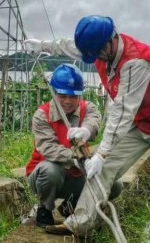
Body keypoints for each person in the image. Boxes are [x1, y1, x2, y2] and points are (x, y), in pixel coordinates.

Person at [24, 15, 150, 237]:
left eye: (96, 54)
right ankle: (79, 224)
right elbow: (71, 47)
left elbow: (122, 111)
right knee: (103, 171)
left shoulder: (136, 62)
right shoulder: (99, 48)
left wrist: (101, 153)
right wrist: (43, 46)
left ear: (109, 42)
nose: (95, 59)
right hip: (139, 122)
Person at [26, 63, 123, 228]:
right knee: (51, 170)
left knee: (114, 186)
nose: (68, 101)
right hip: (47, 176)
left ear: (80, 95)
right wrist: (76, 158)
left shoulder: (88, 108)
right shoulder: (42, 115)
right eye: (62, 96)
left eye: (73, 96)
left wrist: (85, 130)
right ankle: (45, 208)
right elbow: (48, 148)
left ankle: (72, 205)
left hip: (75, 174)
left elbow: (94, 122)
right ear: (55, 93)